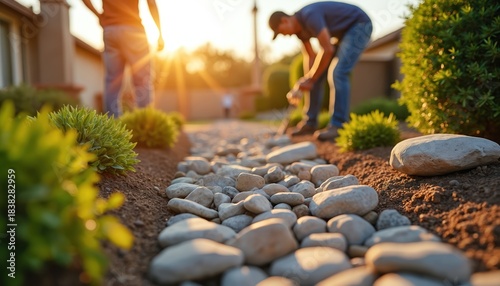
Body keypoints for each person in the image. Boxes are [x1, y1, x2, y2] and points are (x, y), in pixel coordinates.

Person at [269, 2, 372, 140]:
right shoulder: (299, 32)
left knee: (338, 72)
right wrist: (308, 79)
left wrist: (311, 78)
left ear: (285, 20)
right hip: (343, 34)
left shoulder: (310, 16)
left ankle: (338, 125)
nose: (284, 35)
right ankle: (310, 123)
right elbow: (310, 56)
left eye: (281, 31)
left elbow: (327, 49)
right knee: (315, 77)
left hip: (359, 25)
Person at [82, 0, 164, 117]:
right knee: (142, 80)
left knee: (112, 82)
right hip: (133, 30)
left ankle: (114, 128)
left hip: (110, 30)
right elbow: (151, 3)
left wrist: (99, 15)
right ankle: (144, 123)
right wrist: (160, 32)